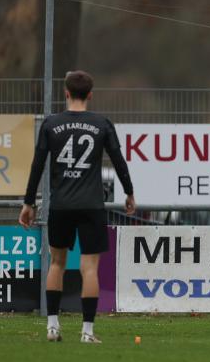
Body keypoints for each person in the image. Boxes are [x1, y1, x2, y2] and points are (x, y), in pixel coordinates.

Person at [19, 71, 135, 344]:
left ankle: (52, 327)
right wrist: (129, 192)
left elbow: (37, 165)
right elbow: (118, 160)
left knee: (57, 263)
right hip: (91, 205)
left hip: (60, 205)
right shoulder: (101, 123)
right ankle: (87, 332)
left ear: (66, 93)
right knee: (90, 268)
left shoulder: (51, 124)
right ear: (91, 95)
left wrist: (28, 202)